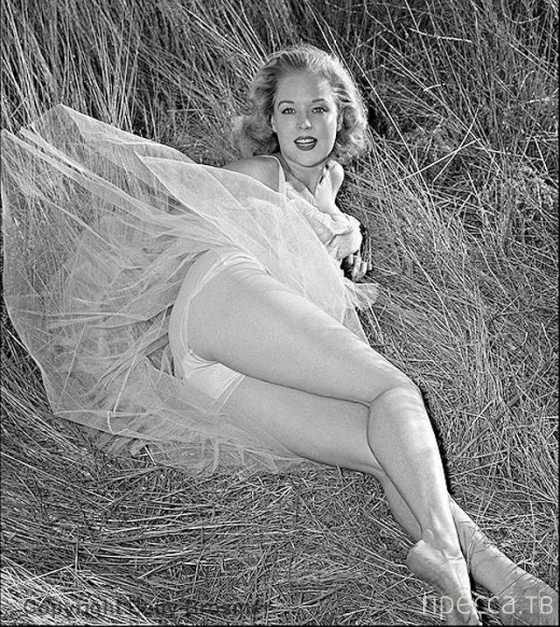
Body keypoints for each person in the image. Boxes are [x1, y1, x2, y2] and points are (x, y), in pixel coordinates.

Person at [1, 45, 556, 625]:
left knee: (383, 450)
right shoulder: (258, 174)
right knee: (395, 391)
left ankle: (510, 586)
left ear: (342, 115)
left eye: (318, 108)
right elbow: (151, 235)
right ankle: (446, 553)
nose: (304, 124)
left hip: (226, 369)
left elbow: (305, 267)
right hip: (221, 299)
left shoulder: (332, 180)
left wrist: (343, 270)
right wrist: (127, 381)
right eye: (288, 111)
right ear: (270, 121)